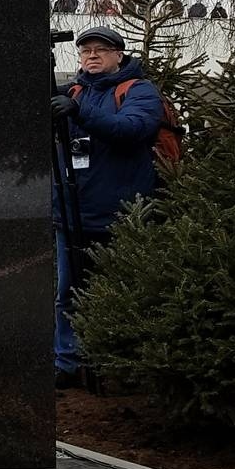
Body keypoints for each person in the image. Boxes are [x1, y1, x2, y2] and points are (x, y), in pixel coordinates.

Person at [49, 25, 166, 388]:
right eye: (86, 51)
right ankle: (66, 364)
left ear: (119, 54)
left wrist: (78, 112)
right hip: (71, 213)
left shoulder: (138, 91)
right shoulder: (75, 91)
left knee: (124, 293)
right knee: (67, 294)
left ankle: (118, 368)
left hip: (121, 214)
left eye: (101, 49)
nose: (92, 56)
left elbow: (131, 129)